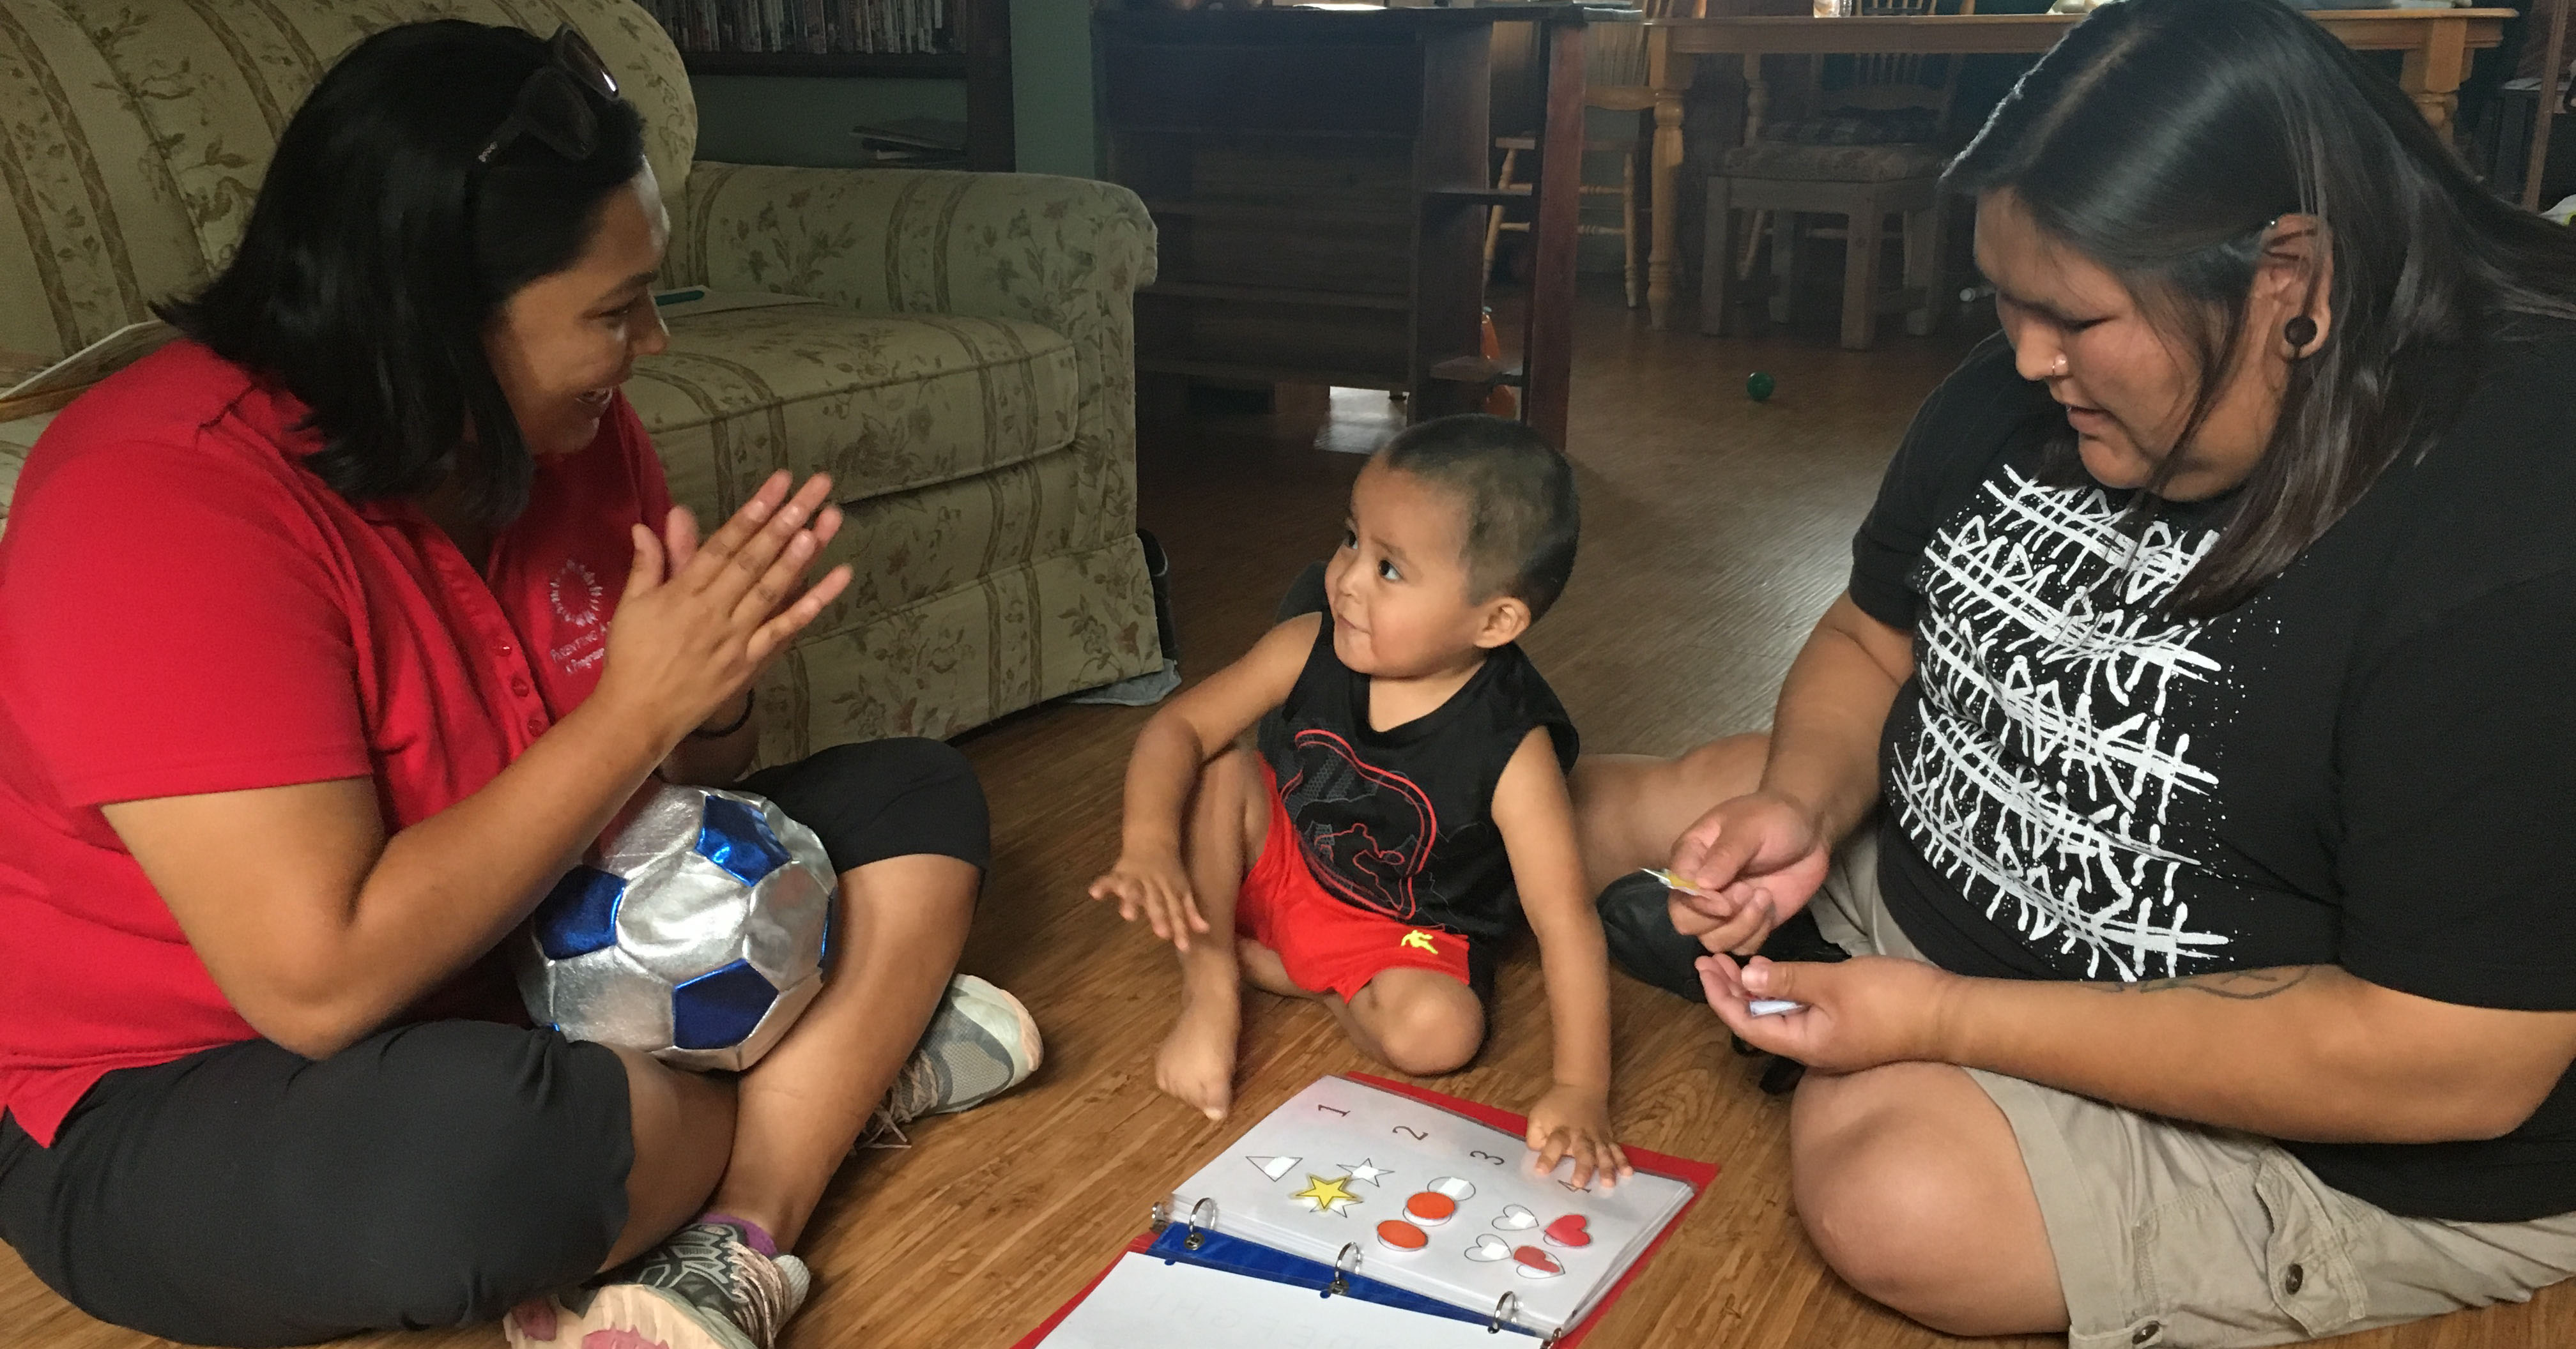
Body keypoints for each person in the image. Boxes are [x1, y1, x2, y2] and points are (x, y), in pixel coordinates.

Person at [0, 22, 1038, 1349]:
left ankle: (741, 1242)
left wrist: (708, 697)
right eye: (614, 311)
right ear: (435, 318)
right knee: (485, 1164)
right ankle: (844, 1069)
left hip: (523, 958)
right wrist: (636, 714)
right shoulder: (157, 505)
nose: (650, 345)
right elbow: (316, 984)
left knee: (913, 791)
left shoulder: (566, 432)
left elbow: (670, 789)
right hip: (190, 1086)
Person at [1572, 0, 2576, 1343]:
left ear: (2296, 277)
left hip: (2320, 1087)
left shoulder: (2509, 536)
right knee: (1647, 797)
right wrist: (1807, 802)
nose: (2028, 358)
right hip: (1934, 894)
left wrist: (1939, 1017)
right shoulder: (2024, 387)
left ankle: (1840, 998)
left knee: (1902, 1195)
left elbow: (2452, 1060)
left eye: (2075, 315)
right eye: (2007, 298)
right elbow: (1878, 637)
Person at [1090, 416, 1633, 1188]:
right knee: (1221, 771)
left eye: (1390, 570)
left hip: (1404, 934)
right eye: (1352, 539)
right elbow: (1179, 726)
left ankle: (1281, 967)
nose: (1345, 577)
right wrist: (1146, 842)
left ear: (1496, 620)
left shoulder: (1514, 748)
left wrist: (1582, 1088)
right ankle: (1212, 990)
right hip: (1291, 863)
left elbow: (1565, 922)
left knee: (1442, 1036)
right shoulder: (1309, 643)